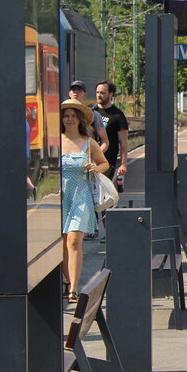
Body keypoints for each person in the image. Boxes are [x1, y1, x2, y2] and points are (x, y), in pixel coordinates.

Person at [60, 99, 110, 303]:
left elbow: (104, 163)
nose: (69, 119)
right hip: (59, 196)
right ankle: (67, 280)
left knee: (74, 240)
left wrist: (95, 168)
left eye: (73, 116)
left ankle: (73, 288)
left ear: (80, 120)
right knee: (63, 243)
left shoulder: (89, 143)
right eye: (66, 115)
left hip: (80, 195)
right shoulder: (54, 140)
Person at [93, 81, 129, 185]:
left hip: (107, 162)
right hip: (91, 161)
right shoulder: (91, 112)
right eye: (97, 92)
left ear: (111, 94)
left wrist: (123, 164)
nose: (99, 95)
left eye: (102, 93)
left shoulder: (117, 116)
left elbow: (124, 142)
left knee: (101, 192)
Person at [69, 80, 108, 145]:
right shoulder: (62, 113)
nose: (76, 92)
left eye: (79, 90)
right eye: (73, 90)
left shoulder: (93, 114)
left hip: (87, 152)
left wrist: (96, 153)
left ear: (85, 95)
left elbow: (105, 140)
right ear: (69, 93)